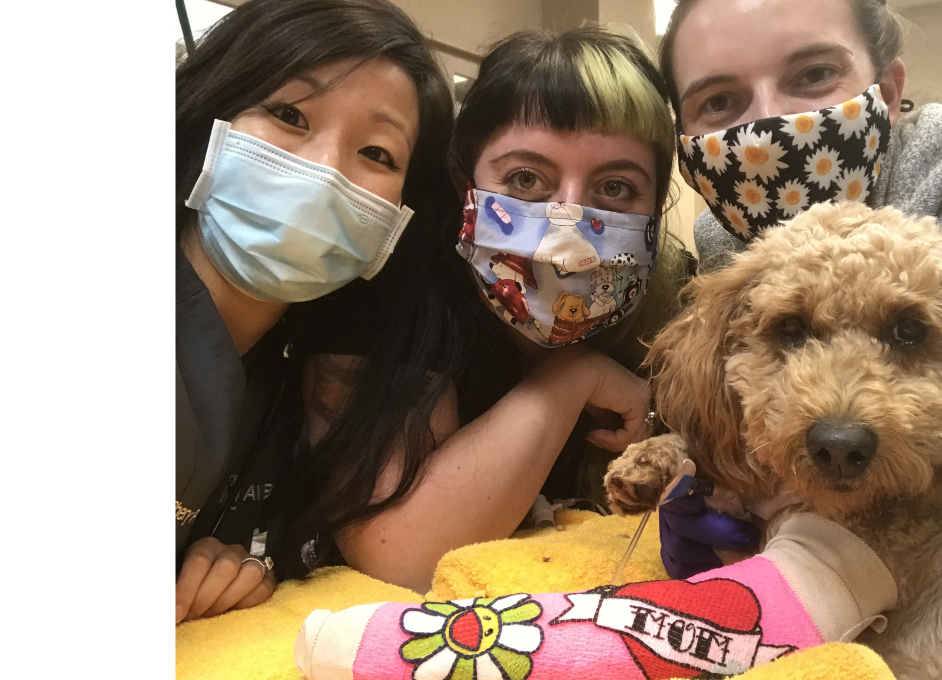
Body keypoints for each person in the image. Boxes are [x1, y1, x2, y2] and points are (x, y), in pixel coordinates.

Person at [651, 0, 942, 578]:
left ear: (889, 89)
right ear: (685, 147)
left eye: (812, 75)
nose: (769, 127)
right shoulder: (729, 244)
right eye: (720, 102)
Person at [269, 27, 696, 595]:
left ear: (654, 210)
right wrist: (571, 378)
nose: (567, 223)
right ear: (463, 185)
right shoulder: (395, 276)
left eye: (616, 187)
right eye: (525, 179)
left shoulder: (671, 293)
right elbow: (402, 552)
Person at [175, 0, 456, 623]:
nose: (323, 170)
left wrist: (230, 571)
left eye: (378, 154)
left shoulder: (288, 377)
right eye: (288, 114)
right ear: (211, 117)